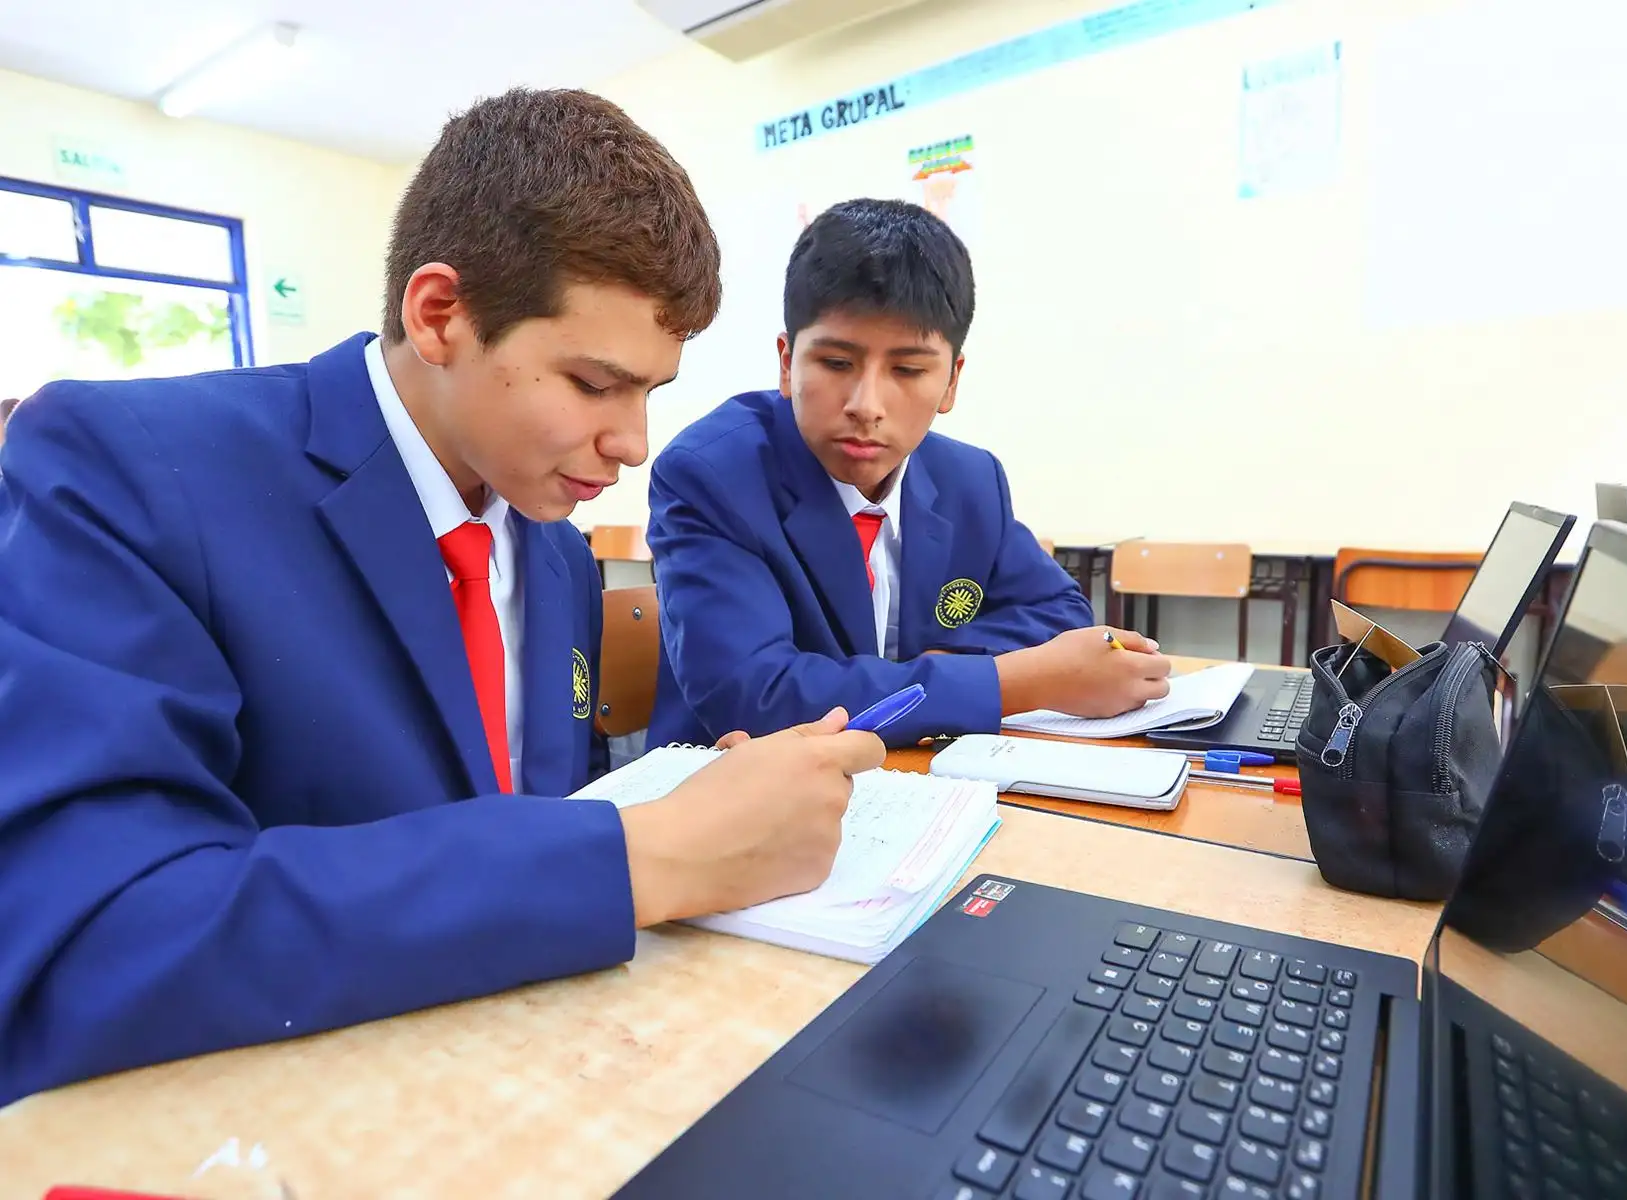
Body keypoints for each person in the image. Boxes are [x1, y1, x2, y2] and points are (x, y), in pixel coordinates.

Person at [0, 89, 883, 1106]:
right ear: (440, 315)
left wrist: (687, 814)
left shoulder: (549, 543)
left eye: (651, 393)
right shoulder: (129, 472)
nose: (633, 442)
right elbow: (87, 940)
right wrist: (644, 854)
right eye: (596, 384)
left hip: (537, 1076)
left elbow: (538, 811)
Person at [647, 198, 1171, 749]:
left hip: (921, 775)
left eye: (908, 369)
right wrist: (1014, 681)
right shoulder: (712, 475)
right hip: (737, 792)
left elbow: (1058, 612)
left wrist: (935, 668)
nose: (867, 404)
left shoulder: (969, 479)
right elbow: (756, 695)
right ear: (786, 361)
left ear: (950, 381)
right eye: (836, 363)